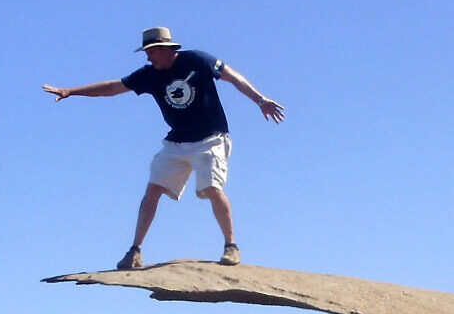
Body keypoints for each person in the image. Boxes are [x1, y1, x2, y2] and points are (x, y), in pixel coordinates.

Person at [44, 26, 284, 269]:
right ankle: (135, 252)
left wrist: (260, 100)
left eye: (151, 52)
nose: (148, 58)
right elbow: (113, 88)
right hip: (176, 142)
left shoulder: (197, 60)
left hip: (211, 138)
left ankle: (231, 246)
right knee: (152, 191)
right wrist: (71, 92)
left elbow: (233, 77)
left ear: (166, 49)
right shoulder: (149, 75)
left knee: (212, 187)